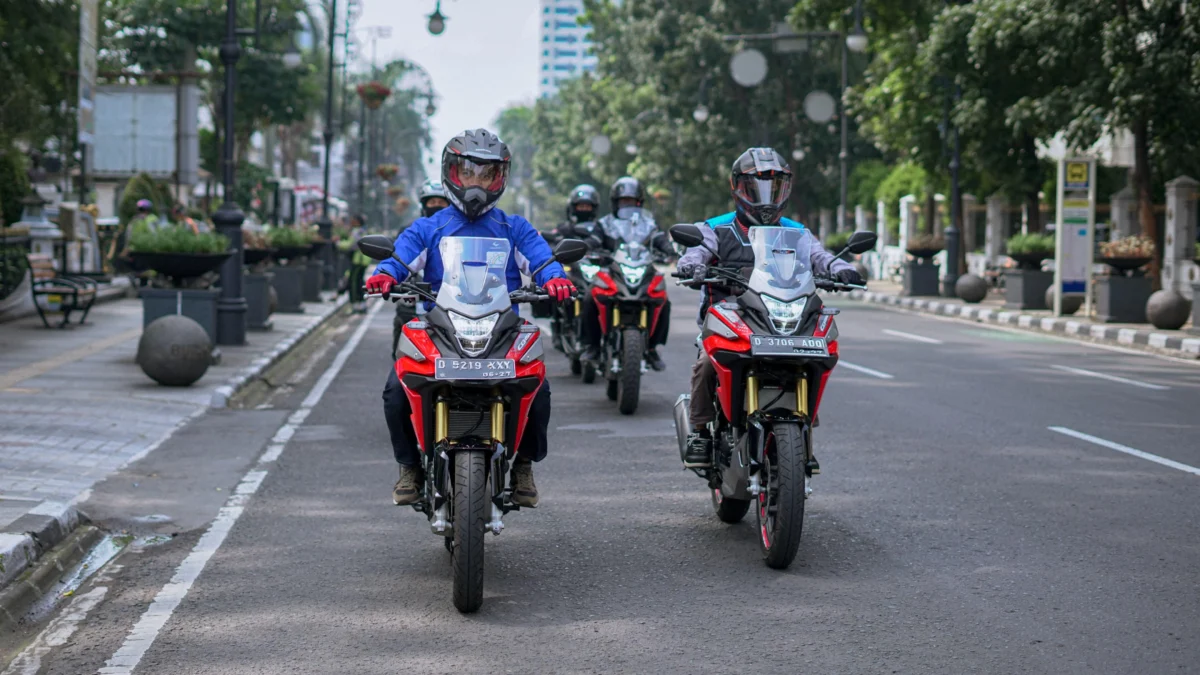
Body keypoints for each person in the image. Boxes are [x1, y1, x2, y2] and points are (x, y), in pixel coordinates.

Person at [368, 128, 576, 508]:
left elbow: (542, 261)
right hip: (440, 326)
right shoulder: (429, 227)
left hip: (503, 329)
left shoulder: (515, 228)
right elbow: (400, 258)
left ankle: (524, 465)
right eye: (469, 173)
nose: (476, 182)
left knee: (539, 389)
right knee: (396, 389)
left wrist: (557, 279)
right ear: (452, 173)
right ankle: (409, 467)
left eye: (487, 174)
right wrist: (385, 274)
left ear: (500, 179)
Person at [676, 147, 864, 468]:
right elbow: (696, 251)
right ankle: (700, 432)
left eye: (774, 187)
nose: (765, 196)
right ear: (738, 187)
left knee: (817, 355)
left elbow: (821, 257)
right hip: (731, 316)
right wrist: (691, 265)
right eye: (757, 187)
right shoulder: (716, 227)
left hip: (782, 315)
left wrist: (841, 269)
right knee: (708, 363)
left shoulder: (797, 232)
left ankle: (802, 431)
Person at [578, 176, 673, 371]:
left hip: (643, 266)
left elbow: (661, 239)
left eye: (631, 201)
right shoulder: (605, 224)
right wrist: (587, 248)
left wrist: (671, 251)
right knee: (589, 297)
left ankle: (653, 348)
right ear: (615, 202)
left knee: (664, 300)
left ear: (639, 203)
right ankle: (592, 346)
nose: (627, 205)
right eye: (623, 201)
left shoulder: (649, 223)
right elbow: (594, 240)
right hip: (611, 269)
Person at [392, 181, 450, 355]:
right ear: (424, 206)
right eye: (432, 203)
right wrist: (388, 275)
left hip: (451, 297)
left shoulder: (458, 232)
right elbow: (397, 258)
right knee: (403, 321)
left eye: (441, 203)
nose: (436, 207)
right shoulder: (410, 231)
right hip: (414, 292)